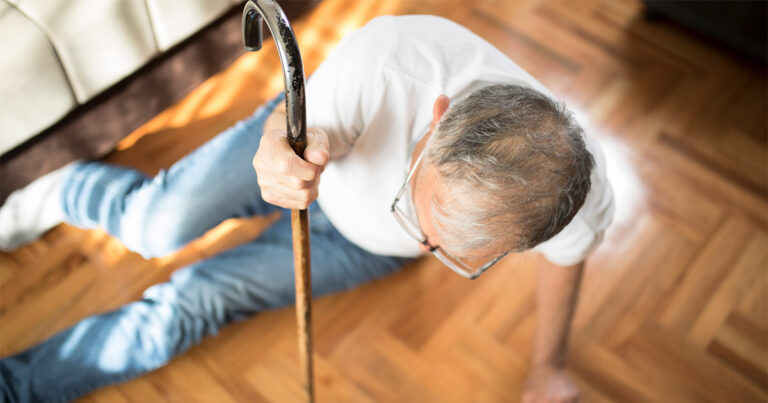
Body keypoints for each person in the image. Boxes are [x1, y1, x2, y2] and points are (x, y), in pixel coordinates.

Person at [0, 15, 613, 403]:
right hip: (308, 139)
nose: (424, 246)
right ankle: (66, 188)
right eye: (416, 212)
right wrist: (276, 152)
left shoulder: (568, 200)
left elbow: (569, 264)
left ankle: (16, 388)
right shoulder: (390, 59)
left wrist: (547, 369)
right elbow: (285, 130)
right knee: (152, 227)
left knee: (199, 300)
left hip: (358, 247)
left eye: (452, 255)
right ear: (436, 118)